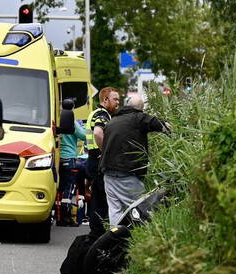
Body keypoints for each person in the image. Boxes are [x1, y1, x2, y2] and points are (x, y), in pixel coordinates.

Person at [100, 94, 170, 228]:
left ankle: (115, 237)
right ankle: (139, 238)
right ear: (140, 109)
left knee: (115, 210)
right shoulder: (138, 117)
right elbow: (162, 124)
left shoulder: (112, 121)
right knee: (139, 210)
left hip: (108, 173)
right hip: (127, 174)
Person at [84, 87, 120, 234]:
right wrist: (105, 152)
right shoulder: (102, 114)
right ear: (105, 100)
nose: (118, 102)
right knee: (102, 201)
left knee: (97, 199)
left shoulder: (94, 113)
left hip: (92, 159)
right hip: (98, 160)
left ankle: (96, 231)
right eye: (115, 99)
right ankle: (99, 232)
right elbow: (98, 133)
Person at [57, 99, 88, 226]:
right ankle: (66, 218)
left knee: (59, 187)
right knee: (68, 188)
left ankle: (57, 215)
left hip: (57, 157)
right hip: (69, 158)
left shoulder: (56, 119)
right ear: (73, 108)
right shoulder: (71, 121)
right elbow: (83, 135)